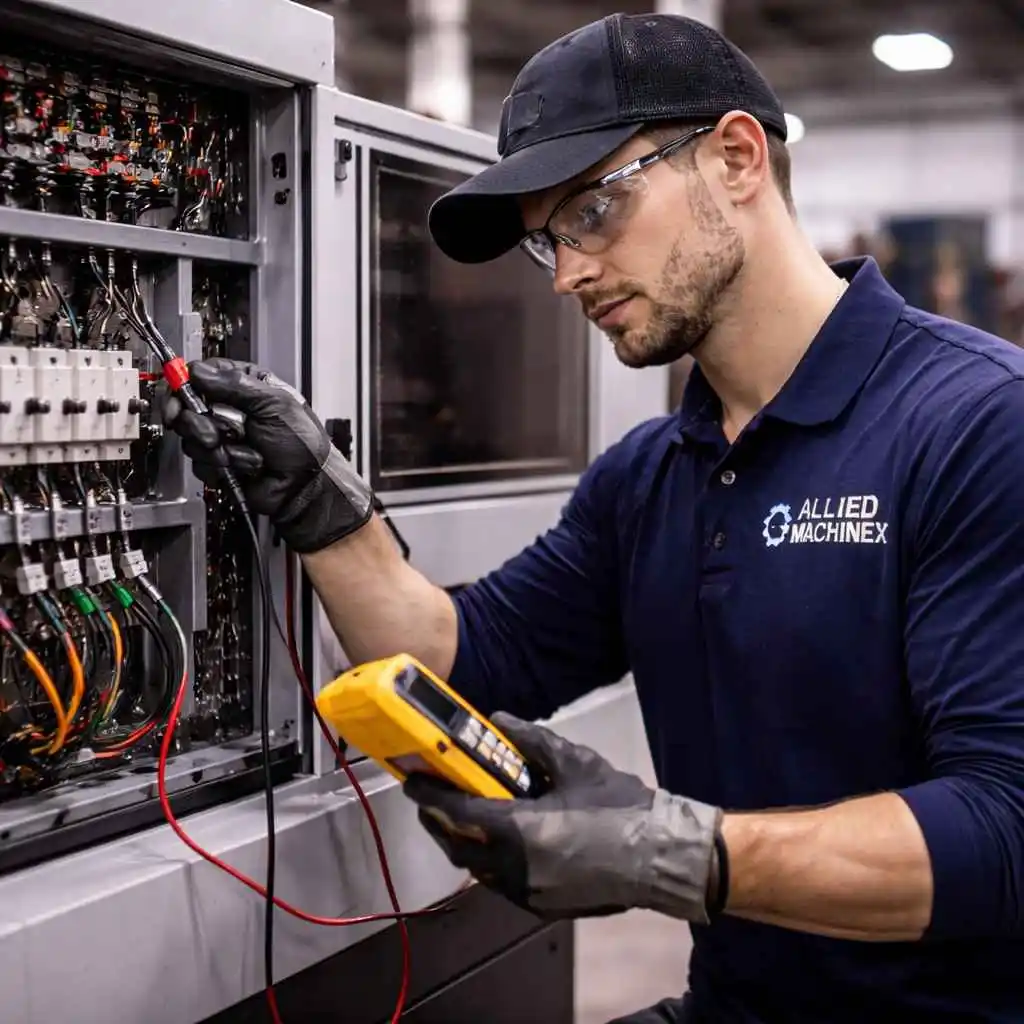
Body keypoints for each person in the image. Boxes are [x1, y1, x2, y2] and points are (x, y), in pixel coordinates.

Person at [164, 12, 1024, 1023]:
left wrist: (672, 849)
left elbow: (1003, 829)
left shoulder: (977, 424)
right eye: (547, 241)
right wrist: (323, 508)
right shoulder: (651, 476)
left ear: (737, 158)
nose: (568, 271)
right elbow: (461, 657)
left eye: (594, 210)